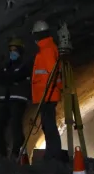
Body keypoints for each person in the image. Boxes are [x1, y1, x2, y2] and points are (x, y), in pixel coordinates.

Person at [31, 20, 65, 162]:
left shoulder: (47, 50)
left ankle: (53, 155)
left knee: (49, 125)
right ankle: (52, 153)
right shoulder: (48, 49)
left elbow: (51, 74)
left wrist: (48, 92)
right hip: (46, 94)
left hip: (47, 95)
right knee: (47, 125)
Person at [0, 37, 31, 159]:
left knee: (15, 125)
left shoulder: (24, 66)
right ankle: (2, 153)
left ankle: (16, 152)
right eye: (10, 50)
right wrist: (8, 78)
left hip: (18, 99)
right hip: (7, 99)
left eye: (14, 50)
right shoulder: (7, 66)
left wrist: (8, 78)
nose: (12, 52)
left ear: (20, 51)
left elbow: (14, 77)